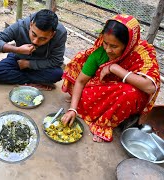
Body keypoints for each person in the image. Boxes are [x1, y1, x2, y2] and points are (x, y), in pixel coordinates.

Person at [61, 14, 161, 142]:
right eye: (105, 43)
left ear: (129, 44)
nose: (108, 50)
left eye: (114, 46)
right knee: (85, 94)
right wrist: (72, 109)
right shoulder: (99, 54)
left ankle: (104, 124)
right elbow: (80, 81)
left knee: (129, 93)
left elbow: (150, 87)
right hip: (104, 90)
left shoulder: (142, 53)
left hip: (127, 96)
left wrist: (115, 69)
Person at [0, 9, 67, 90]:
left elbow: (56, 61)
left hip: (42, 64)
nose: (35, 41)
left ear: (52, 34)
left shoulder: (60, 33)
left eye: (43, 39)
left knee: (58, 74)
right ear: (31, 24)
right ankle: (36, 81)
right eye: (34, 34)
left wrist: (28, 64)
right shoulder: (20, 25)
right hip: (19, 59)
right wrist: (17, 50)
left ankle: (22, 78)